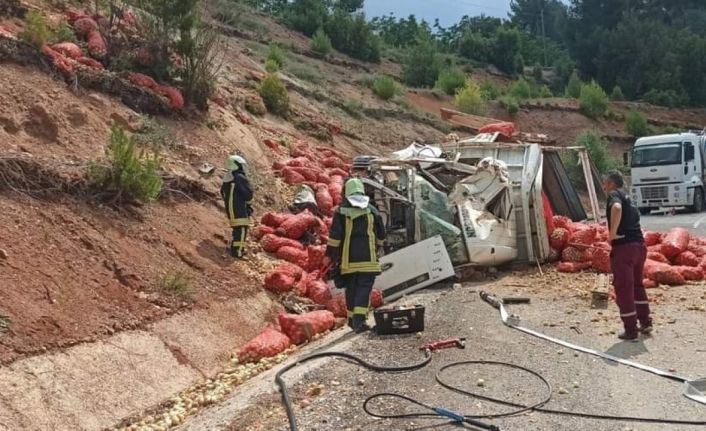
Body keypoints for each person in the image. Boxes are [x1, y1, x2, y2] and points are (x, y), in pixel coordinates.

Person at [325, 178, 386, 333]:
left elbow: (335, 238)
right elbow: (381, 235)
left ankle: (353, 320)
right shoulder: (372, 210)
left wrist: (329, 255)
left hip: (348, 261)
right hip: (369, 260)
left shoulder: (341, 211)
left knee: (351, 289)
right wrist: (377, 246)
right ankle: (359, 321)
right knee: (364, 289)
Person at [604, 170, 652, 340]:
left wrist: (612, 234)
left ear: (610, 183)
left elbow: (616, 208)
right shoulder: (628, 197)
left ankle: (631, 330)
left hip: (624, 248)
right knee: (637, 286)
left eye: (605, 184)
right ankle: (645, 322)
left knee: (624, 288)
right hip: (639, 247)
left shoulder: (614, 195)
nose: (604, 187)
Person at [221, 155, 253, 258]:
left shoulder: (228, 178)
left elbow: (222, 192)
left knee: (237, 228)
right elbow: (248, 193)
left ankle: (235, 248)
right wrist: (248, 205)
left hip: (231, 208)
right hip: (238, 208)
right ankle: (238, 252)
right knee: (242, 228)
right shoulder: (239, 177)